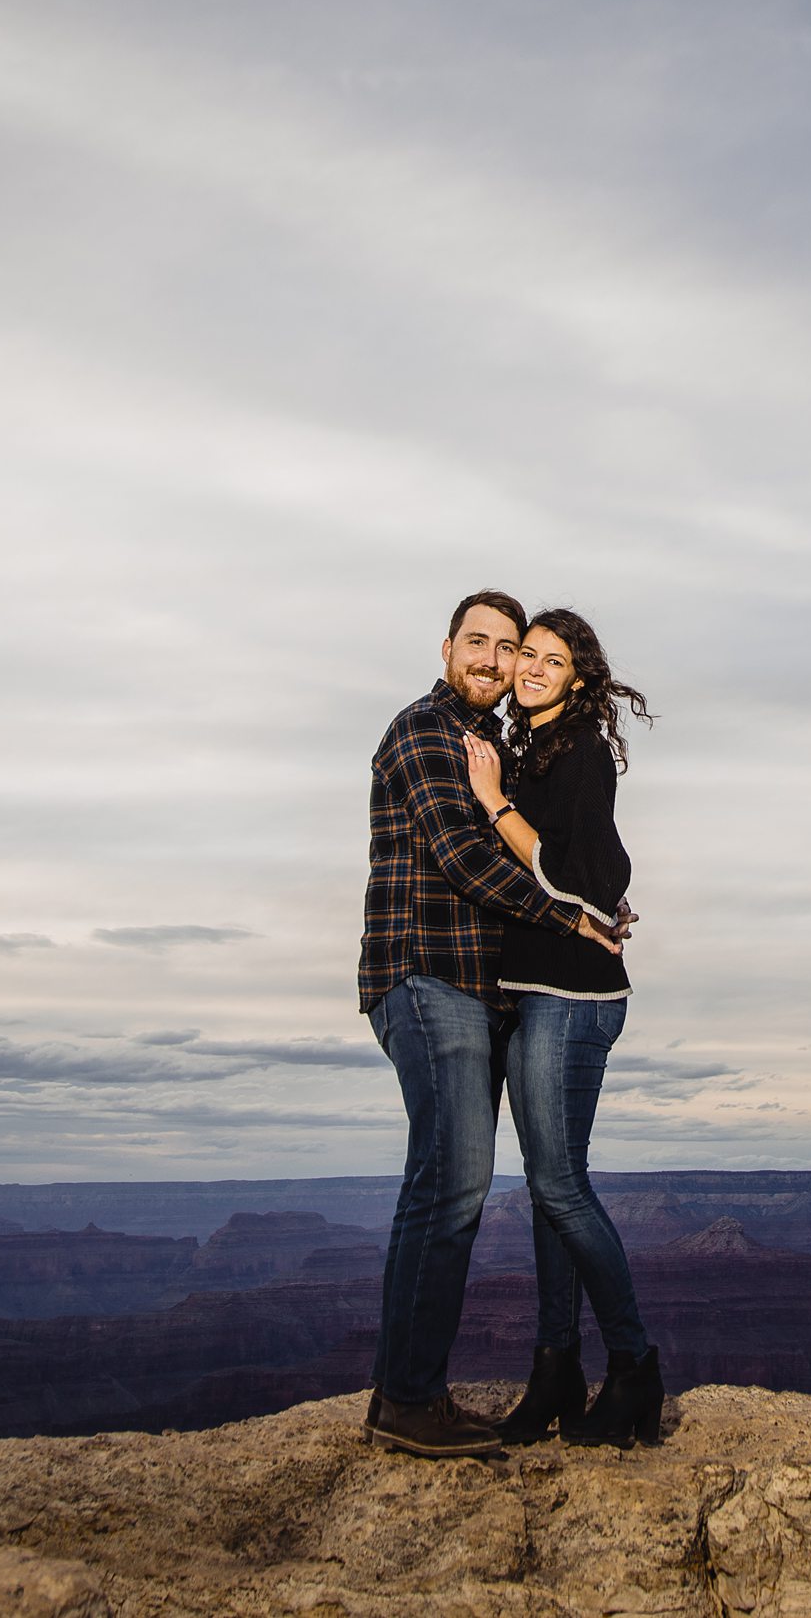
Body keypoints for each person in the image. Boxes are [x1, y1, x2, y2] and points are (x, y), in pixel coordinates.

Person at [358, 589, 623, 1458]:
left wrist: (584, 893)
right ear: (446, 648)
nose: (495, 658)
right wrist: (570, 915)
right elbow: (465, 857)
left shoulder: (499, 746)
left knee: (460, 1183)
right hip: (425, 978)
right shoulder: (423, 733)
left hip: (476, 991)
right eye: (479, 641)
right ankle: (407, 1396)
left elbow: (568, 844)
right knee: (452, 1183)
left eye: (509, 647)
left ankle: (409, 1393)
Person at [462, 607, 663, 1448]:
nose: (535, 668)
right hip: (534, 990)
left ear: (579, 675)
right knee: (548, 1191)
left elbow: (584, 867)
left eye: (553, 658)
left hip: (571, 998)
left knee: (561, 1188)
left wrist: (493, 802)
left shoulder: (577, 751)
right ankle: (555, 1371)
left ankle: (633, 1369)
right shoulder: (534, 744)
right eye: (526, 656)